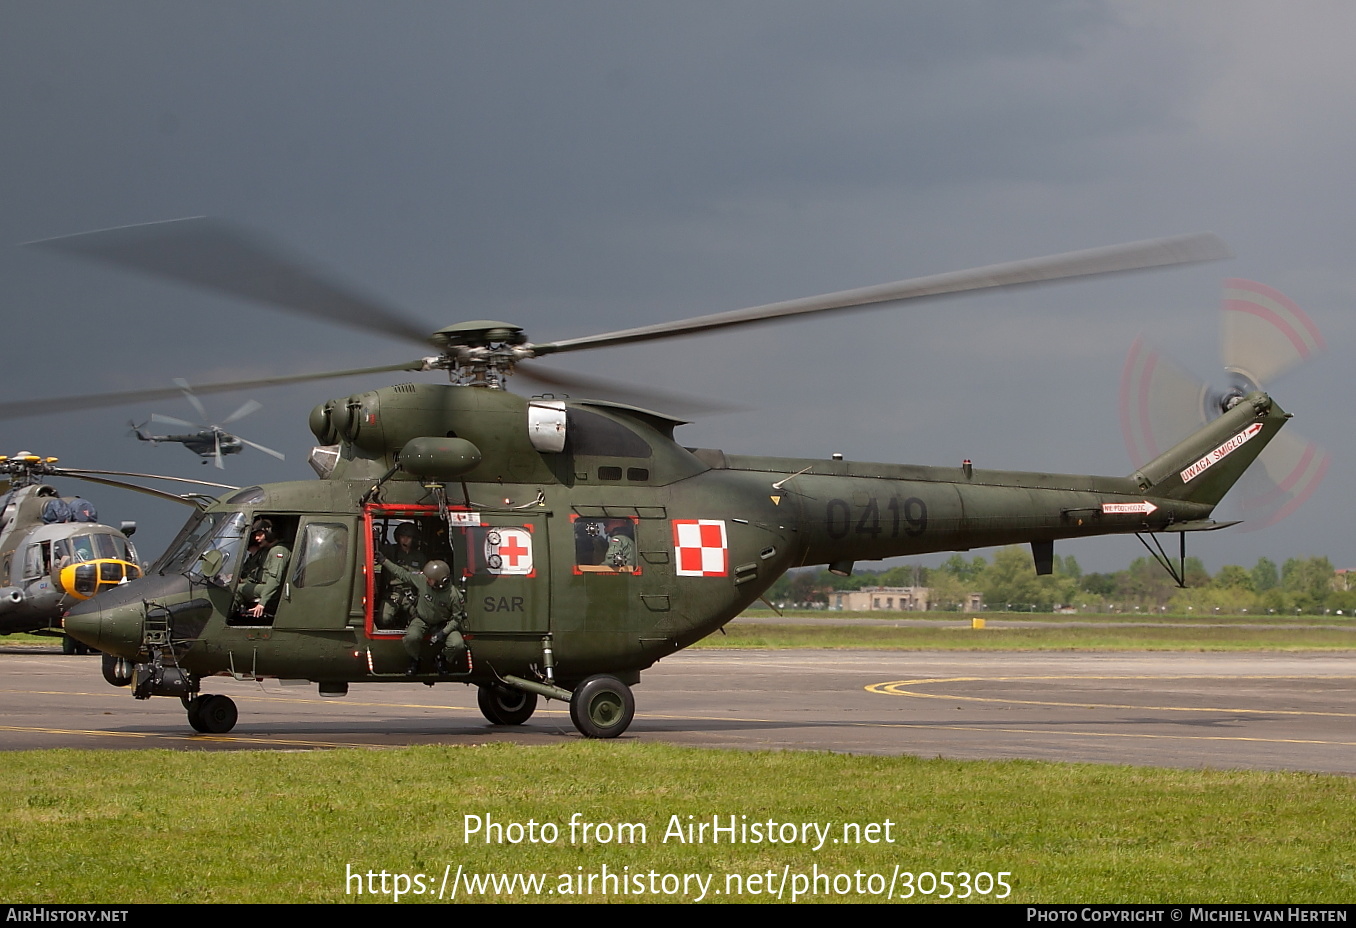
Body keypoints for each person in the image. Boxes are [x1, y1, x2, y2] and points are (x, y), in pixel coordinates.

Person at [376, 551, 466, 676]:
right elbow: (402, 574)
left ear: (441, 581)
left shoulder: (453, 595)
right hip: (422, 620)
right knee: (411, 638)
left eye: (431, 579)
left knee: (458, 644)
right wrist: (384, 561)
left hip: (443, 624)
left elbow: (457, 618)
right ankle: (415, 660)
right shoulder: (423, 580)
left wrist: (443, 633)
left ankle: (442, 658)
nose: (427, 580)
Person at [232, 518, 291, 622]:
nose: (257, 538)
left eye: (260, 534)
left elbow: (274, 579)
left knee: (237, 590)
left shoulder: (278, 550)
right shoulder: (266, 551)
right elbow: (258, 573)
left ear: (269, 533)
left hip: (273, 590)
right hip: (266, 587)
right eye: (255, 535)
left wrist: (262, 603)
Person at [377, 522, 427, 629]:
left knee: (422, 619)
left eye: (408, 537)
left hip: (412, 596)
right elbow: (376, 551)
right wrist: (375, 539)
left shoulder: (420, 556)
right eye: (402, 536)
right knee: (384, 618)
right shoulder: (390, 551)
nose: (405, 540)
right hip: (393, 594)